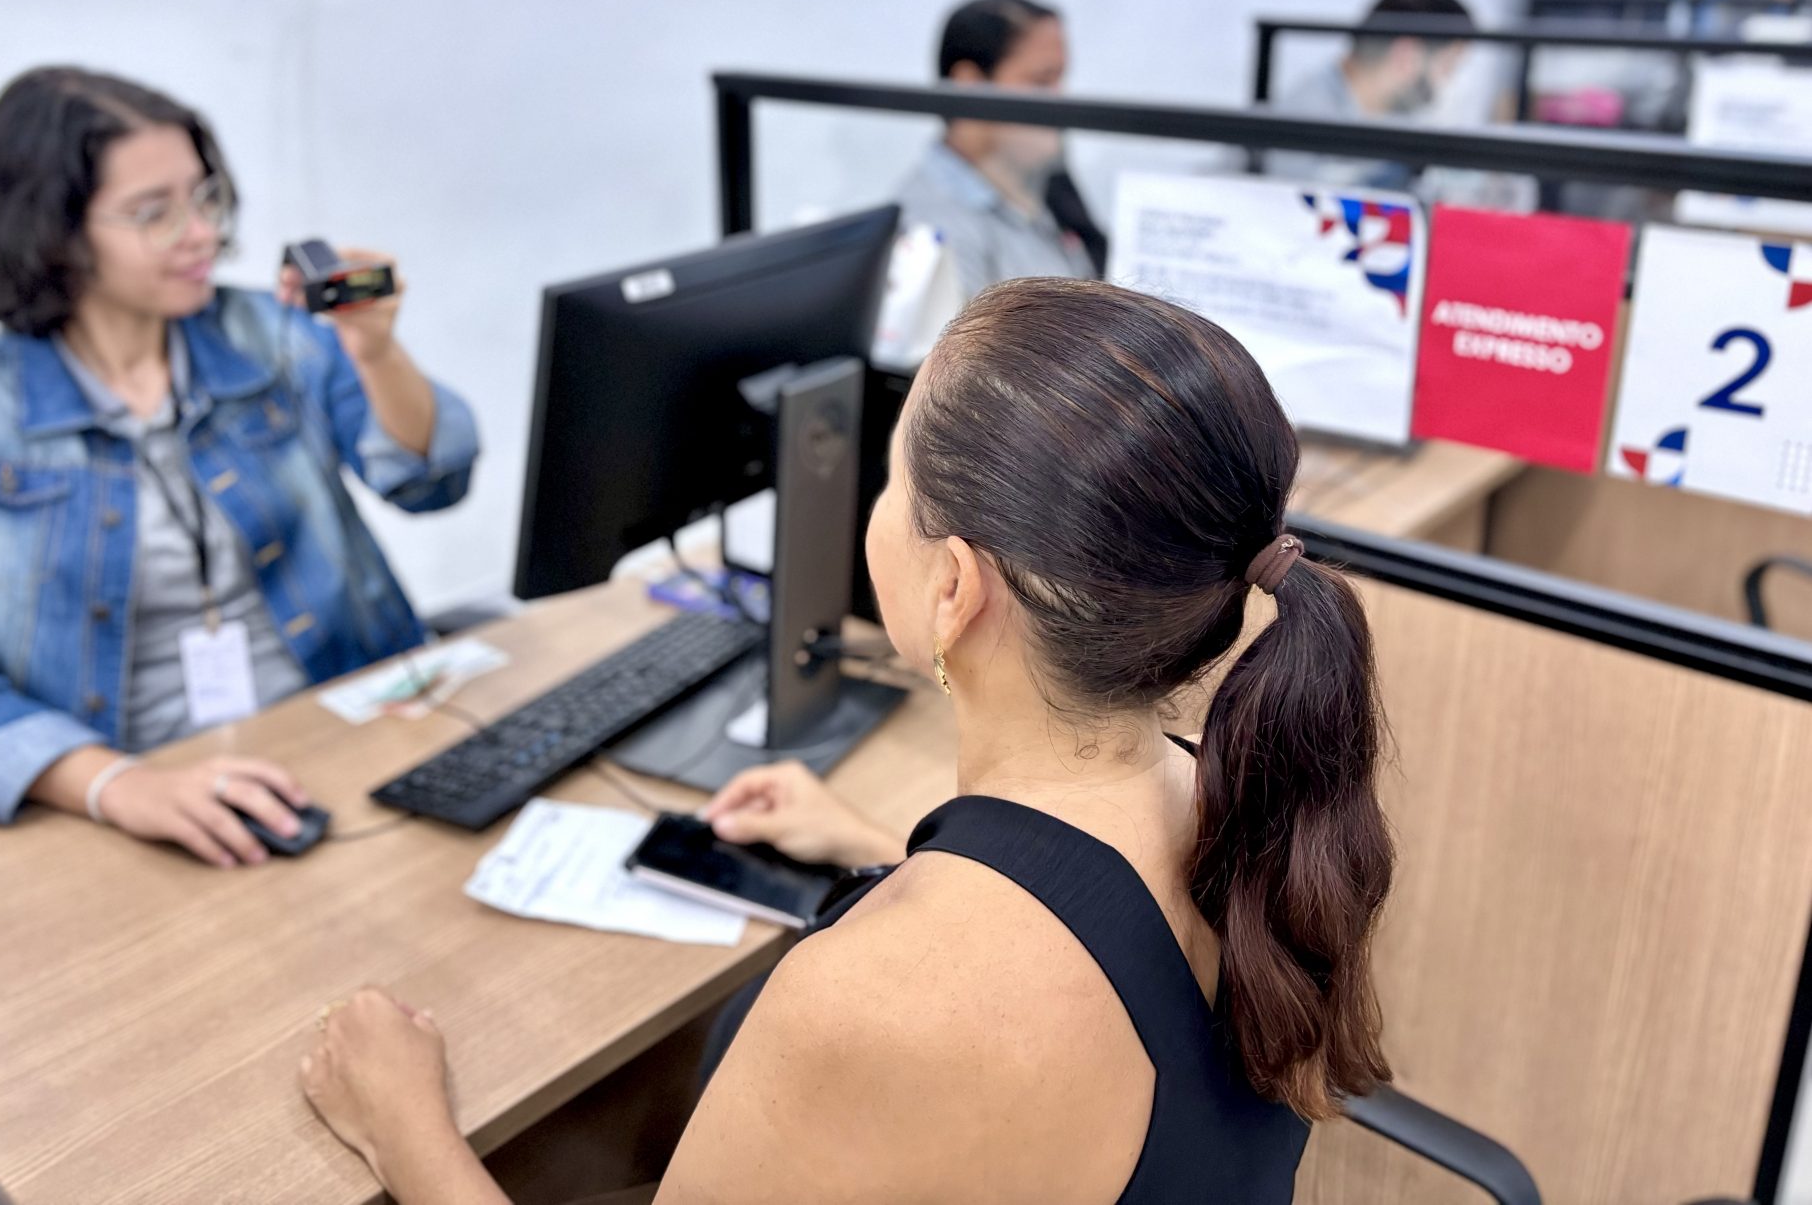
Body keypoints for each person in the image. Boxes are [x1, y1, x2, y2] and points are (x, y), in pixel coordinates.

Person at [301, 277, 1395, 1203]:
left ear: (954, 588)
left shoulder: (874, 1000)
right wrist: (890, 862)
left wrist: (408, 1132)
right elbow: (1103, 959)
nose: (875, 506)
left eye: (893, 481)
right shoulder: (1234, 797)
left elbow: (979, 995)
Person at [0, 67, 479, 867]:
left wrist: (377, 350)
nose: (200, 234)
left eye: (205, 197)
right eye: (154, 214)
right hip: (141, 805)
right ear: (52, 231)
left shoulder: (278, 334)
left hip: (347, 746)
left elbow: (434, 481)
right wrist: (120, 786)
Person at [875, 0, 1106, 365]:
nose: (1062, 101)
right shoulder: (936, 233)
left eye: (1061, 80)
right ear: (969, 85)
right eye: (1041, 81)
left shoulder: (1036, 185)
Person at [1265, 0, 1474, 190]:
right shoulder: (1303, 124)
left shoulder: (1398, 120)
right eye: (1447, 66)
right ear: (1406, 56)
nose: (1447, 81)